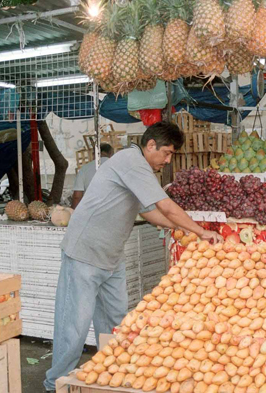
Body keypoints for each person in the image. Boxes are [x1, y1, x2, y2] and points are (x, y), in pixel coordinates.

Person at [43, 121, 222, 392]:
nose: (168, 160)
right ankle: (54, 383)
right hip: (85, 253)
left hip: (112, 257)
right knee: (73, 327)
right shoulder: (131, 161)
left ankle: (109, 377)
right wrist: (199, 231)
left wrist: (180, 229)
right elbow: (166, 206)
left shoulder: (138, 168)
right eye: (167, 153)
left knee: (115, 325)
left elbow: (150, 211)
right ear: (150, 146)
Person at [71, 143, 115, 209]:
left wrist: (73, 214)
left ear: (94, 154)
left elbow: (77, 196)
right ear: (111, 154)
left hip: (91, 212)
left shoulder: (84, 169)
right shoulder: (118, 167)